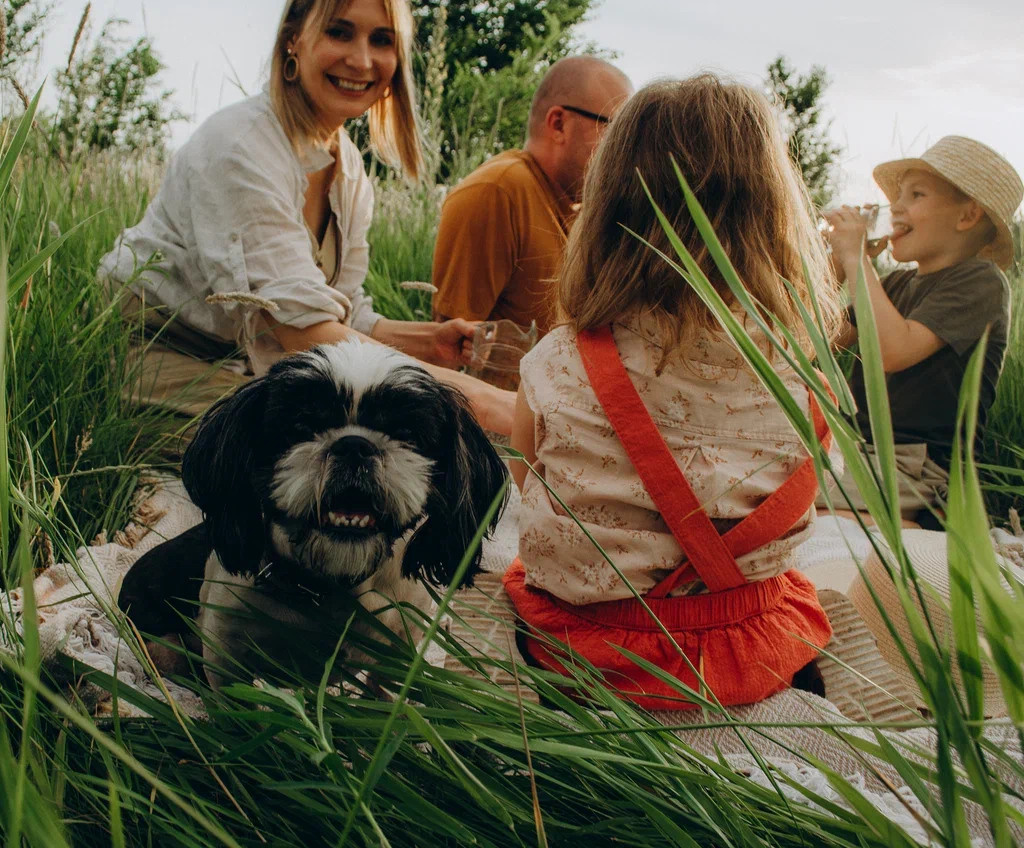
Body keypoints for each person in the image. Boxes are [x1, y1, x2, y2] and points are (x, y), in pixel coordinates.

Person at [501, 74, 844, 710]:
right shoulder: (799, 373)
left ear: (608, 207)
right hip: (749, 646)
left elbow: (529, 480)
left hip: (593, 649)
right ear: (773, 213)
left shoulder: (559, 360)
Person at [97, 0, 514, 434]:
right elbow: (305, 335)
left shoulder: (349, 170)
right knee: (308, 450)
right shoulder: (241, 147)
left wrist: (428, 342)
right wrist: (486, 402)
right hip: (154, 354)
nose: (362, 60)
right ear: (293, 38)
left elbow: (338, 317)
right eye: (339, 32)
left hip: (239, 365)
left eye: (381, 40)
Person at [822, 136, 1022, 522]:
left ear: (966, 217)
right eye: (897, 196)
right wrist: (839, 263)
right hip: (865, 455)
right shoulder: (894, 286)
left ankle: (918, 526)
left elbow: (894, 352)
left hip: (926, 470)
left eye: (916, 195)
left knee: (790, 495)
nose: (895, 206)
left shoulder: (981, 283)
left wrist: (855, 261)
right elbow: (818, 338)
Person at [430, 57, 634, 334]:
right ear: (559, 124)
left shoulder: (578, 207)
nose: (624, 150)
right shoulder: (498, 192)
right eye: (615, 130)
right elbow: (452, 345)